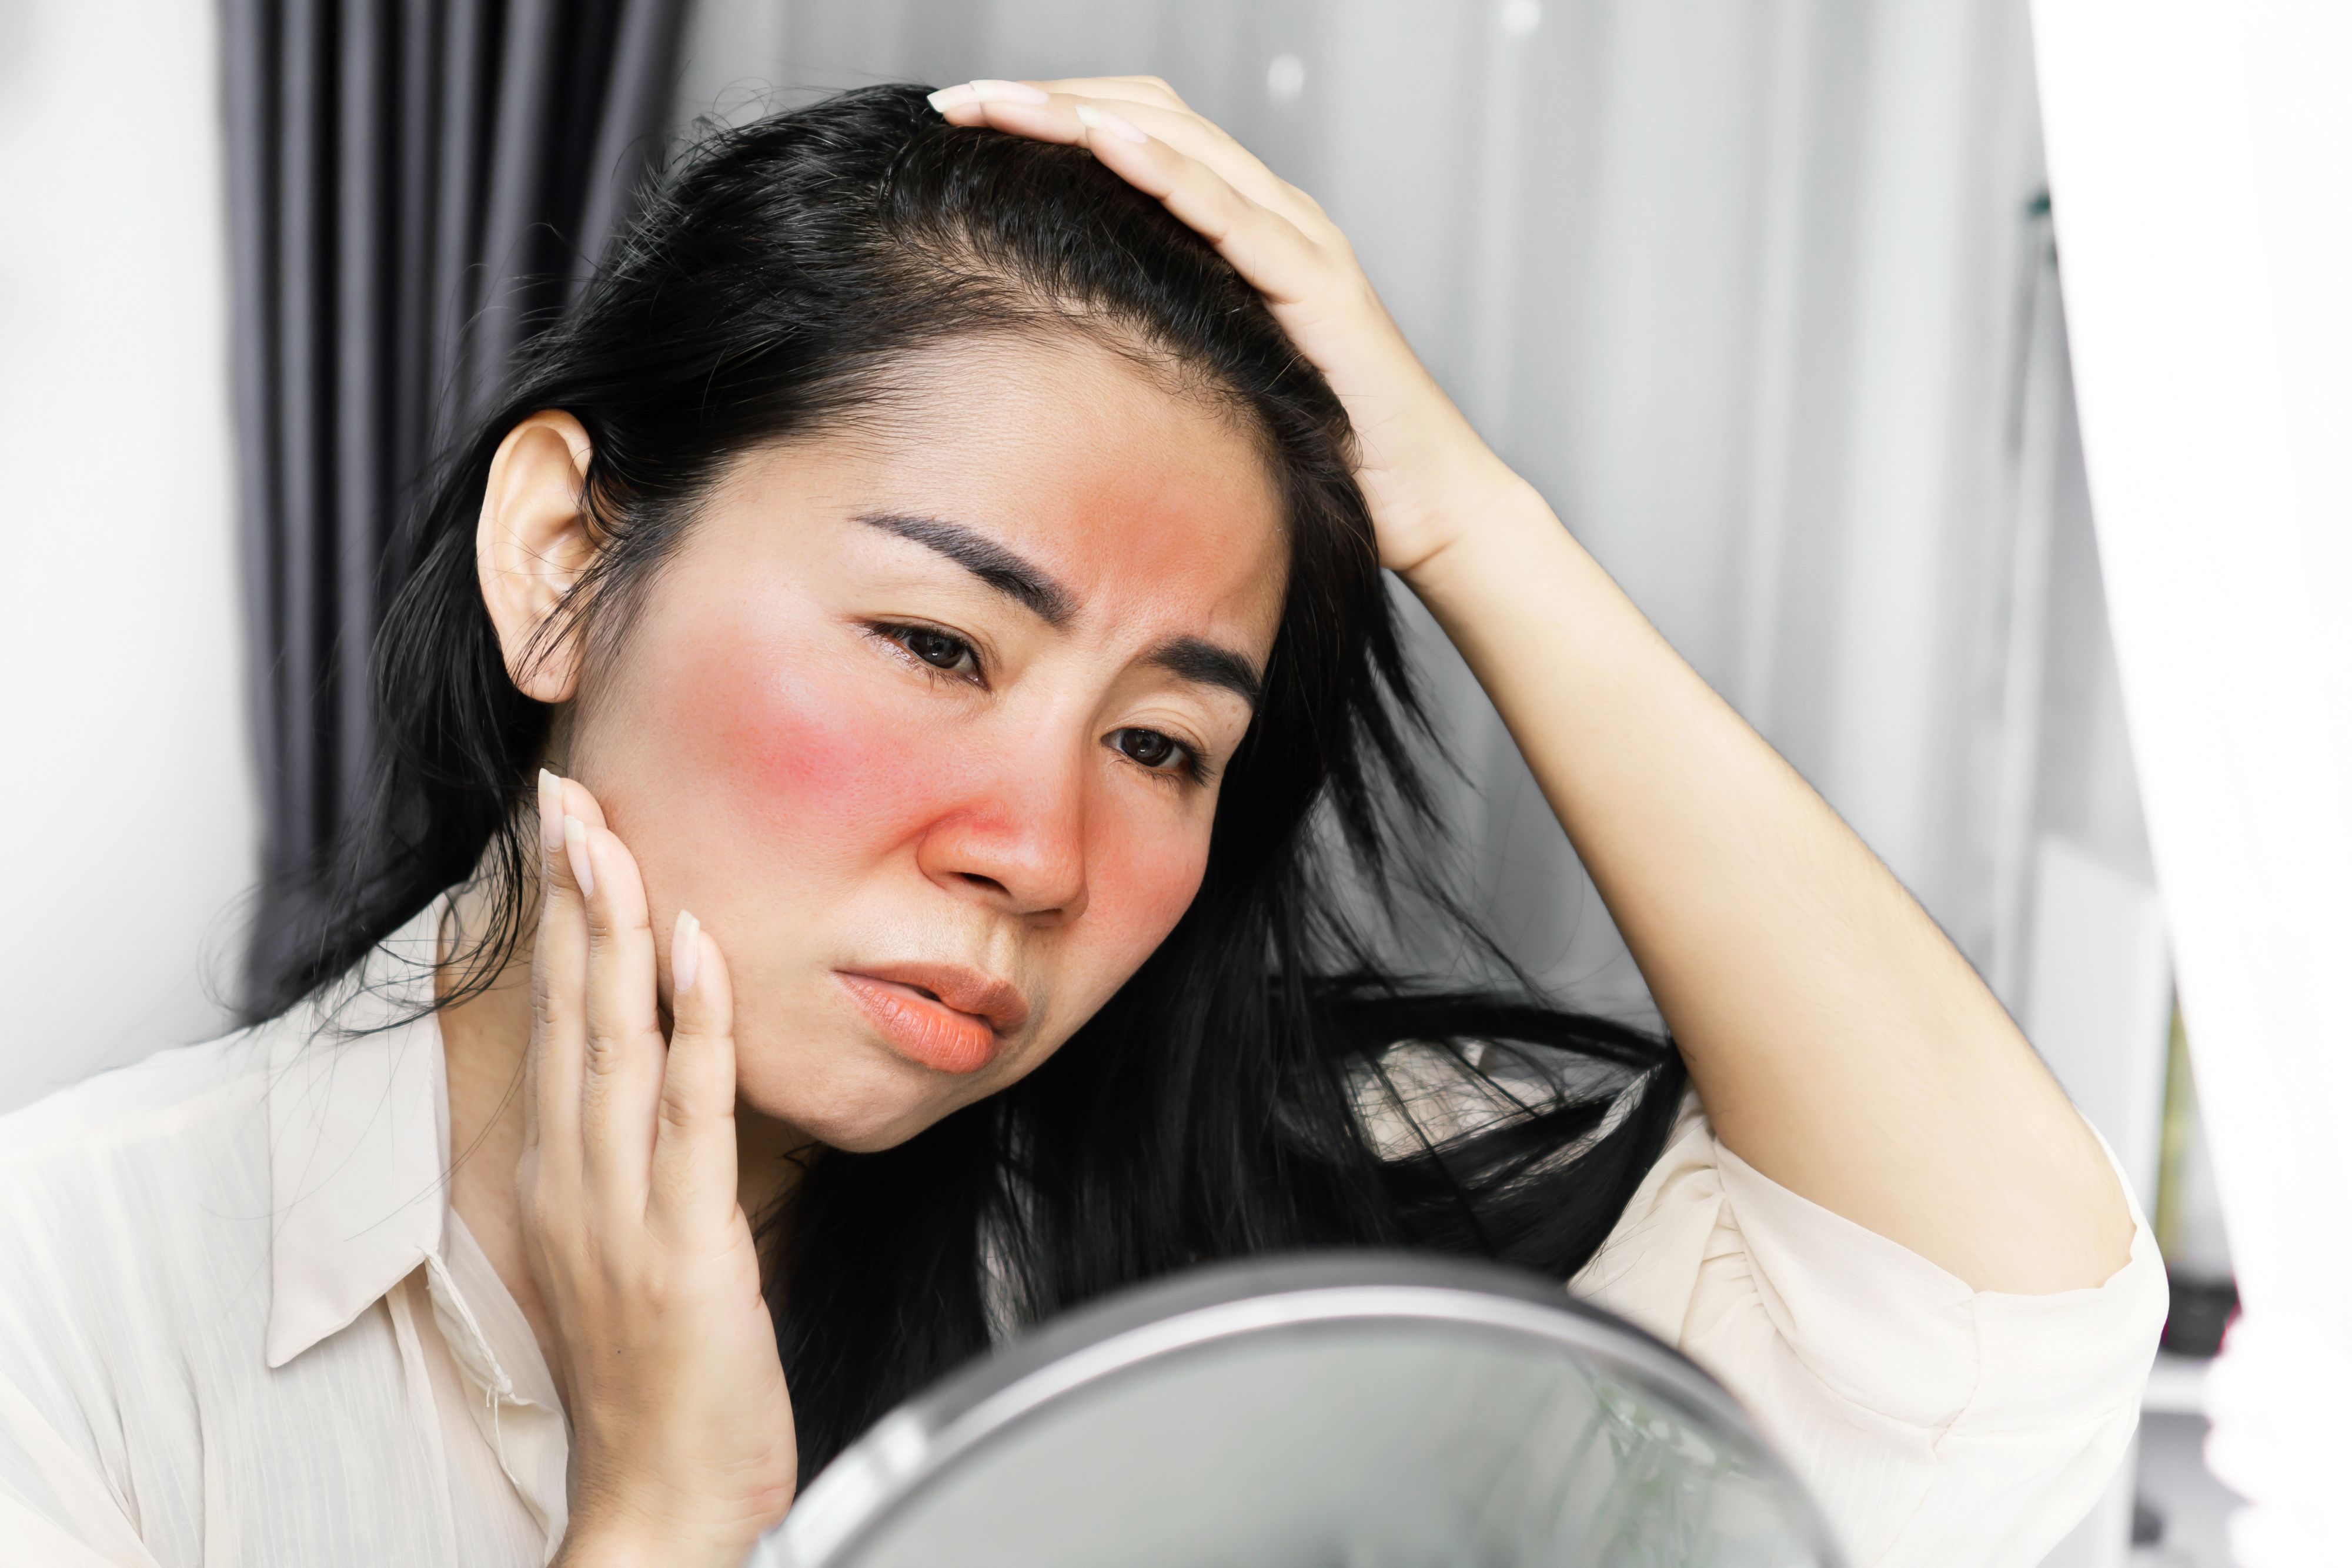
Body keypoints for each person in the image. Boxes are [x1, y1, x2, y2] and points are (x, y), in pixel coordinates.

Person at [0, 79, 2163, 1568]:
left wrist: (1472, 524)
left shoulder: (1233, 1234)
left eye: (1164, 746)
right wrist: (661, 1510)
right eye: (939, 645)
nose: (1036, 849)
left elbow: (1988, 1332)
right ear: (567, 556)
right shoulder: (69, 1307)